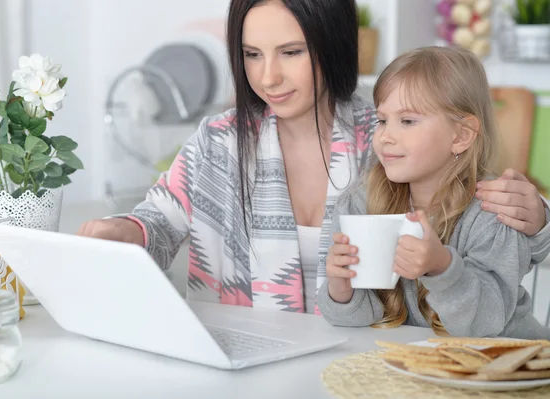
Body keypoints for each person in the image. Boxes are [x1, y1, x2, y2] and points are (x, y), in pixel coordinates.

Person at [78, 0, 550, 315]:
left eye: (291, 52)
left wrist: (539, 221)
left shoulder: (389, 138)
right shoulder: (218, 142)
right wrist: (123, 231)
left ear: (331, 44)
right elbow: (157, 223)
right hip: (243, 361)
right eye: (251, 54)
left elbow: (481, 235)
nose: (269, 77)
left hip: (366, 366)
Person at [319, 46, 549, 339]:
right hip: (420, 367)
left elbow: (486, 325)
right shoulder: (359, 204)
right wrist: (341, 288)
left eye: (408, 121)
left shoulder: (494, 211)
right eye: (382, 120)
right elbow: (359, 321)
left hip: (511, 367)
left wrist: (442, 268)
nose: (386, 136)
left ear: (461, 135)